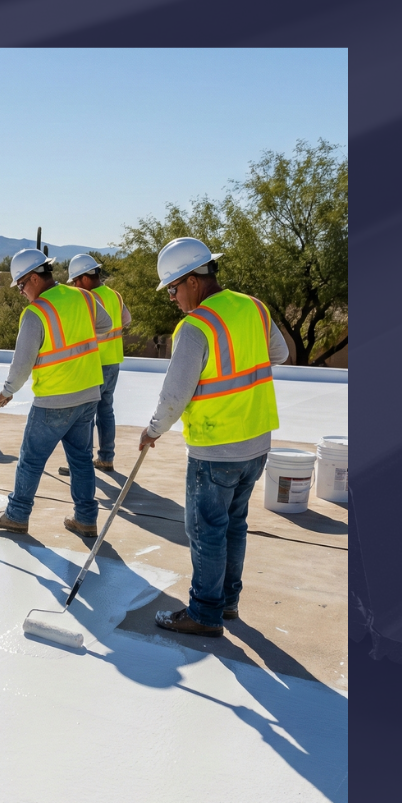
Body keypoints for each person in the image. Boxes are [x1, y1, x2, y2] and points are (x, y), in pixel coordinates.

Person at [139, 237, 290, 637]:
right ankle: (227, 602)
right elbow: (280, 354)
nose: (172, 297)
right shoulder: (254, 307)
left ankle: (204, 613)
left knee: (207, 530)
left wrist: (153, 430)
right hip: (257, 441)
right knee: (234, 524)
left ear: (192, 280)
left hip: (215, 448)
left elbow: (175, 395)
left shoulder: (196, 327)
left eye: (173, 288)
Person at [0, 248, 112, 538]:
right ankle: (86, 519)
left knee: (31, 459)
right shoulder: (83, 297)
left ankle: (16, 515)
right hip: (88, 393)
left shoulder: (36, 313)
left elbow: (22, 363)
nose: (20, 292)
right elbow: (104, 326)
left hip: (54, 399)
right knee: (81, 460)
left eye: (20, 285)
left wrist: (8, 391)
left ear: (33, 279)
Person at [66, 253, 131, 472]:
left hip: (95, 363)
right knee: (106, 410)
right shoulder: (115, 295)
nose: (75, 285)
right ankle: (106, 458)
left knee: (85, 414)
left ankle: (81, 463)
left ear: (85, 277)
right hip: (113, 361)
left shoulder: (90, 298)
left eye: (75, 281)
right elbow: (126, 320)